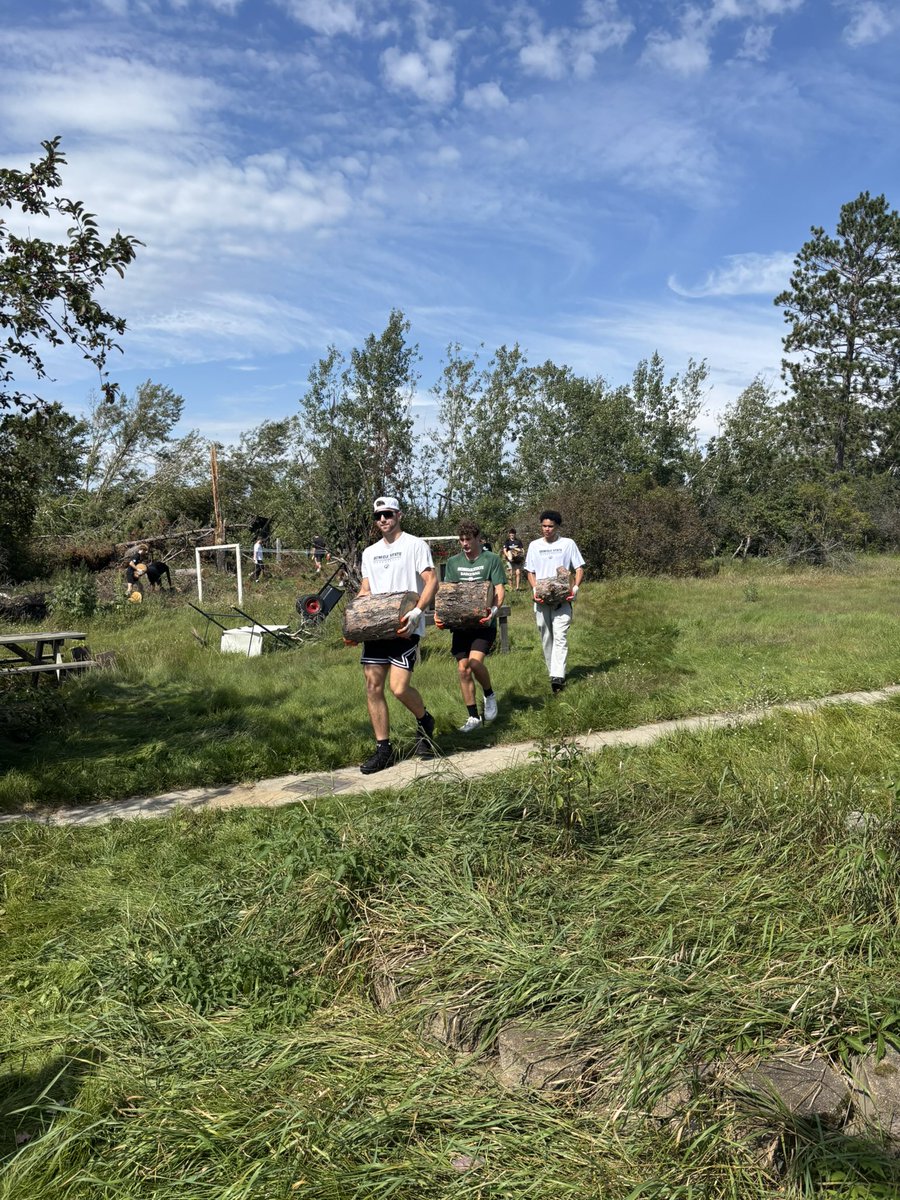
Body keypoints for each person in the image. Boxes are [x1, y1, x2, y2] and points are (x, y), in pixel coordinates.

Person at [349, 496, 438, 774]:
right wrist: (355, 620)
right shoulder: (369, 552)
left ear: (398, 515)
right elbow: (366, 589)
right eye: (378, 516)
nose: (383, 520)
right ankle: (383, 749)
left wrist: (418, 611)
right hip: (376, 630)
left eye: (387, 514)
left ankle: (424, 721)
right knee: (373, 687)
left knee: (398, 688)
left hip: (405, 626)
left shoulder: (415, 545)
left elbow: (432, 580)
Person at [437, 519, 506, 732]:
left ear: (478, 539)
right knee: (463, 669)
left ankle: (489, 695)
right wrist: (442, 616)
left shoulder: (491, 559)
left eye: (469, 539)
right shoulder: (453, 563)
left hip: (484, 623)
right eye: (462, 540)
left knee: (475, 664)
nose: (465, 543)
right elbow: (448, 593)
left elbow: (499, 590)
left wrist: (493, 611)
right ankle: (473, 717)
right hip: (461, 625)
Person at [524, 510, 585, 693]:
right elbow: (530, 571)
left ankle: (558, 678)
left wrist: (575, 588)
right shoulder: (534, 546)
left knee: (560, 636)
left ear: (557, 527)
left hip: (562, 599)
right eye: (544, 526)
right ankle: (553, 672)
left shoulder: (567, 544)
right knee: (546, 637)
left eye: (550, 526)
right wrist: (534, 588)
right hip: (541, 600)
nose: (547, 529)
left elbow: (579, 567)